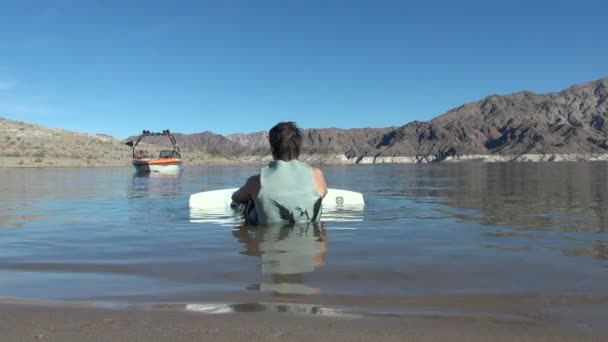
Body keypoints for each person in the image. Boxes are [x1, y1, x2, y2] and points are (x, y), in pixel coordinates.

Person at [231, 121, 328, 225]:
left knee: (250, 200)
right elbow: (324, 193)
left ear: (272, 149)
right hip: (313, 240)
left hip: (266, 237)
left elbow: (236, 198)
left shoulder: (256, 181)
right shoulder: (317, 175)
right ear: (298, 148)